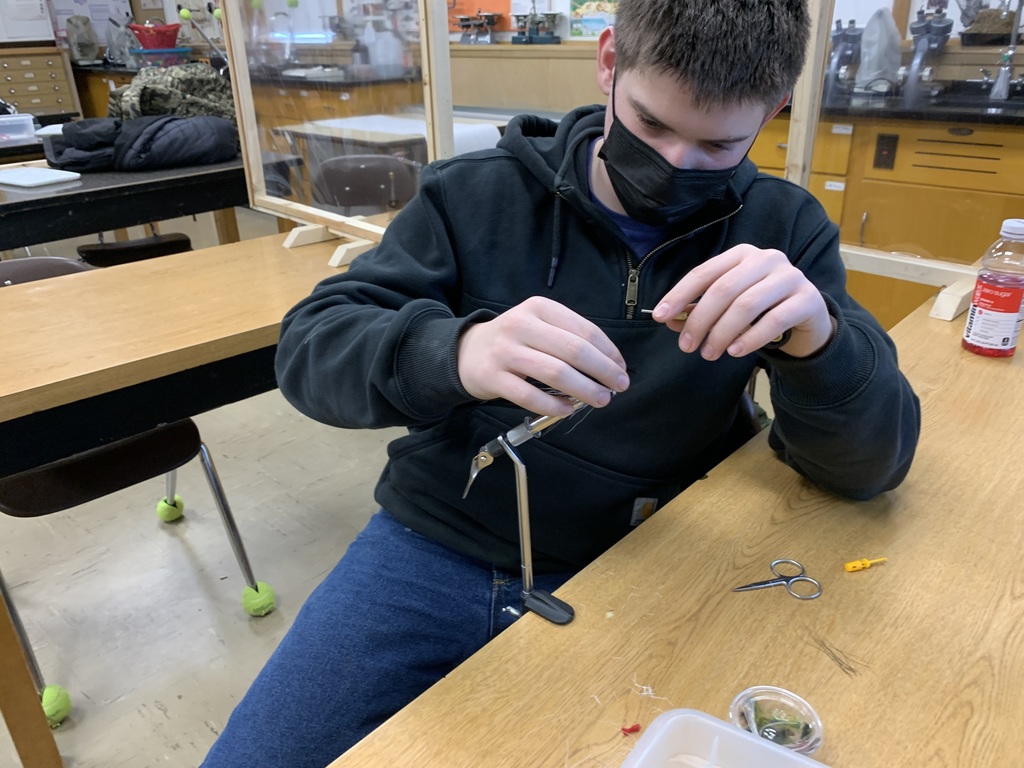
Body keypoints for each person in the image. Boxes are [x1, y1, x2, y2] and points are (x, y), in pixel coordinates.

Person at [202, 1, 920, 765]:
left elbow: (870, 471)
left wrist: (822, 343)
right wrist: (454, 351)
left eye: (717, 144)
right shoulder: (472, 195)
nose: (675, 164)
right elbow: (311, 349)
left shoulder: (784, 230)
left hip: (646, 563)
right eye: (649, 126)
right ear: (609, 62)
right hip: (439, 542)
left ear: (774, 111)